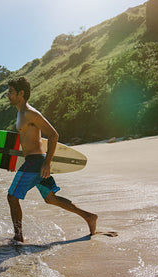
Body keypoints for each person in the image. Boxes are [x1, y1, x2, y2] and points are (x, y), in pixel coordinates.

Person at [6, 77, 97, 242]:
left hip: (36, 163)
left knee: (12, 197)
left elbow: (54, 135)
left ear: (21, 93)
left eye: (11, 92)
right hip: (33, 162)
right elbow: (27, 142)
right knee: (51, 199)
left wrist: (47, 162)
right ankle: (89, 216)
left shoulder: (30, 113)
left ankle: (18, 237)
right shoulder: (20, 113)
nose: (8, 95)